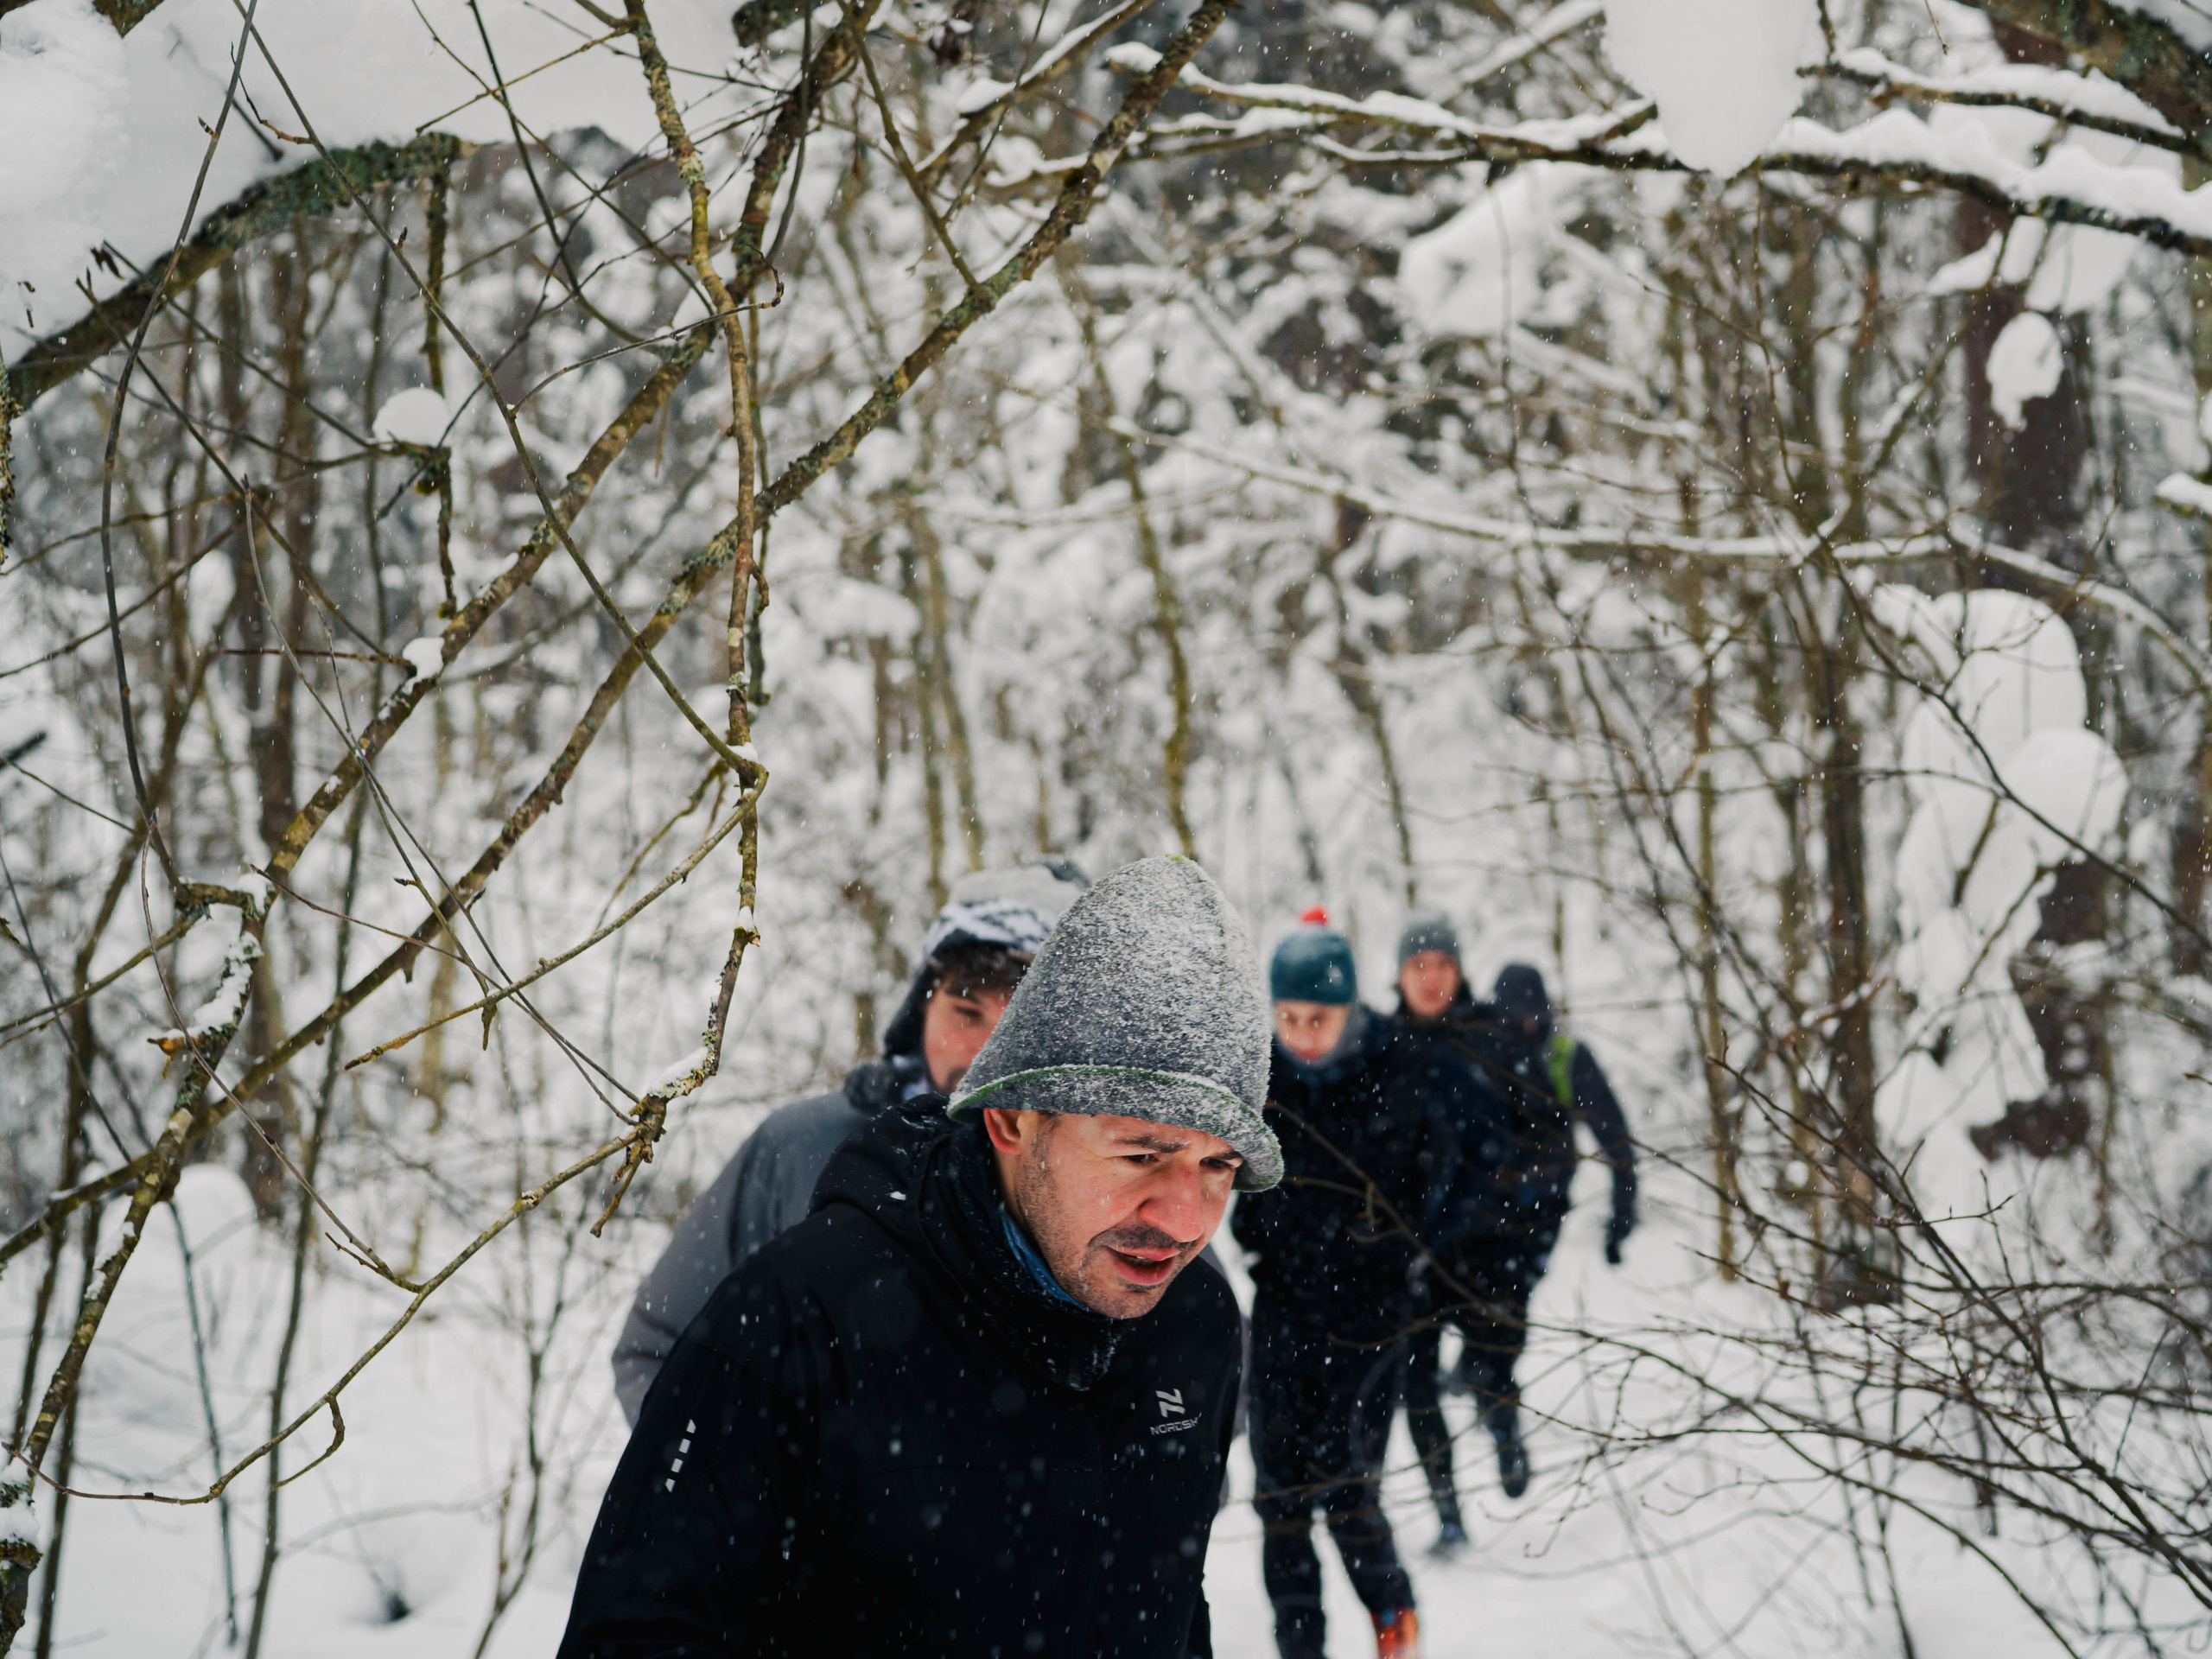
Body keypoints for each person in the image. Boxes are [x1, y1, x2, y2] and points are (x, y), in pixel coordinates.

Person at [556, 855, 1278, 1658]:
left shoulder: (1195, 1321)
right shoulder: (796, 1316)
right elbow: (640, 1629)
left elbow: (1168, 1604)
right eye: (1142, 1155)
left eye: (1219, 1167)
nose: (1186, 1219)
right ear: (1009, 1120)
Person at [609, 860, 1089, 1423]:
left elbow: (1197, 1386)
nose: (987, 1052)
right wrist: (751, 1493)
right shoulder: (801, 1149)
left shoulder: (1129, 1168)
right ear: (921, 1010)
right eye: (966, 1011)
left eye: (1022, 1027)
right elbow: (658, 1349)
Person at [1231, 909, 1446, 1659]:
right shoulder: (1262, 1074)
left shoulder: (1402, 1066)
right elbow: (1242, 1186)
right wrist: (1264, 1237)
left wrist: (1390, 1241)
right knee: (1279, 1494)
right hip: (1285, 1302)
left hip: (1373, 1312)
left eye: (1317, 1017)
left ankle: (1393, 1616)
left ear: (1349, 1009)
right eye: (1287, 1016)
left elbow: (1437, 1181)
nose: (1302, 1032)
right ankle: (1300, 1645)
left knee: (1346, 1478)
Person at [1429, 960, 1637, 1501]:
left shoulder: (1566, 1057)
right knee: (1484, 1316)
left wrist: (1622, 1216)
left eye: (1531, 1012)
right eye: (1511, 1013)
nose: (1522, 1022)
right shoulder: (1483, 1053)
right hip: (1479, 1220)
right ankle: (1489, 1396)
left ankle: (1492, 1400)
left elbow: (1616, 1138)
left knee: (1507, 1320)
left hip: (1537, 1220)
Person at [1379, 912, 1507, 1550]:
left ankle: (1504, 1430)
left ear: (1460, 972)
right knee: (1419, 1386)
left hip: (1481, 1245)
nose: (1431, 978)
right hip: (1411, 1253)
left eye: (1442, 965)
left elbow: (1507, 1144)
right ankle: (1447, 1511)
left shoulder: (1487, 1037)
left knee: (1493, 1360)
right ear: (1399, 974)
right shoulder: (1379, 1044)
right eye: (1418, 965)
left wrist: (1482, 1219)